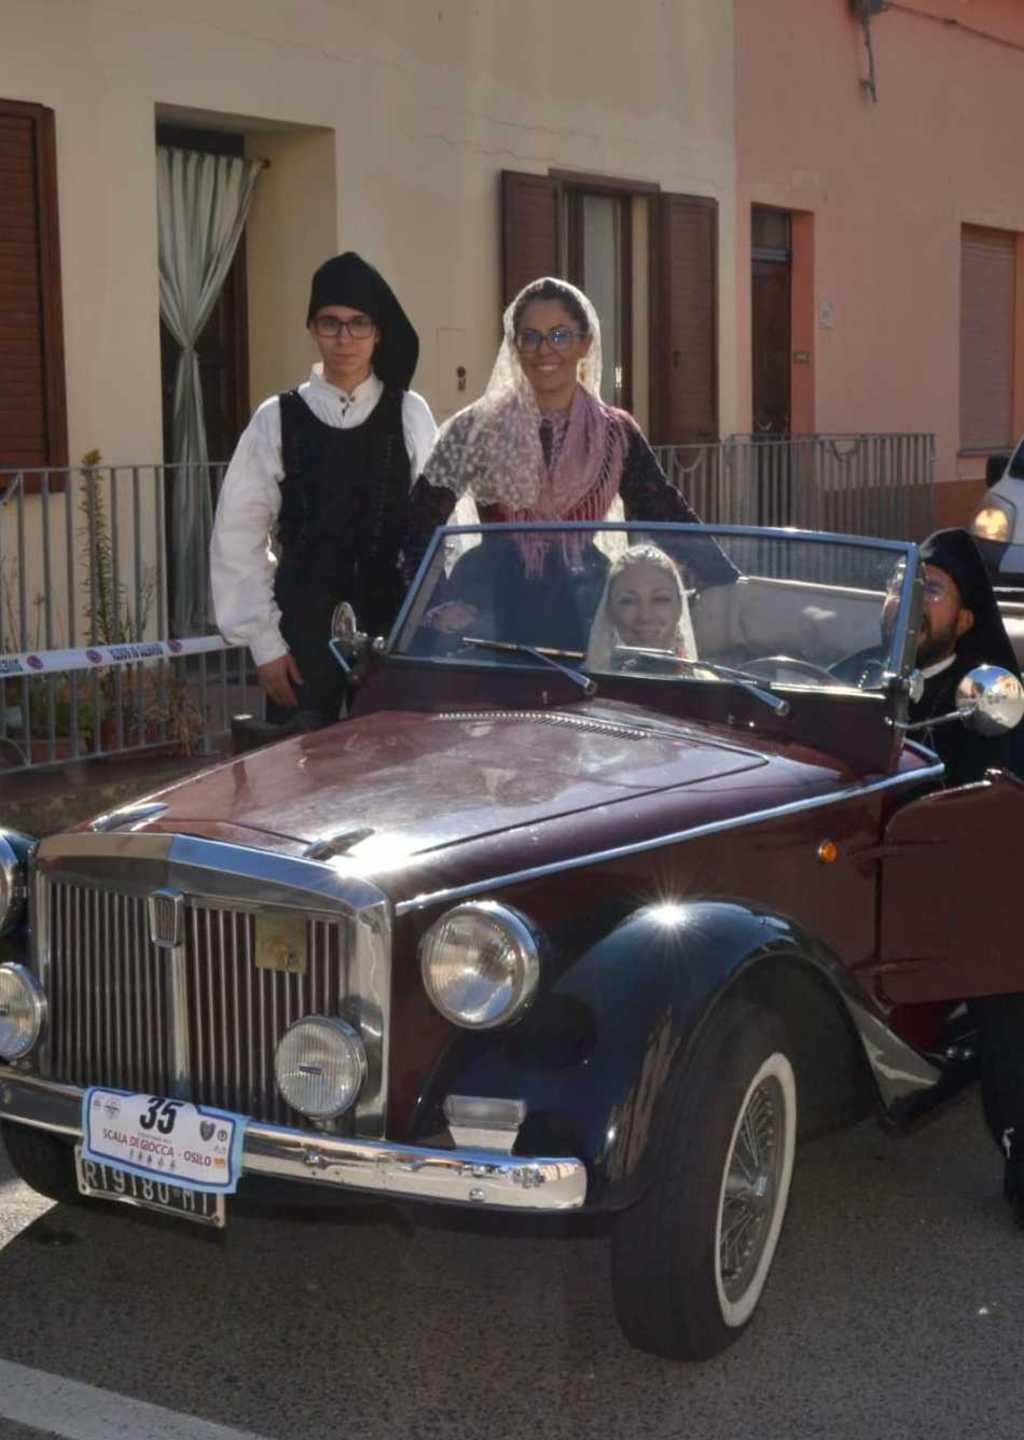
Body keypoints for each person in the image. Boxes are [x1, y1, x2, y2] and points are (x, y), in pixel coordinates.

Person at [211, 251, 437, 727]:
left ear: (377, 332)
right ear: (312, 329)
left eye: (357, 324)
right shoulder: (276, 418)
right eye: (331, 323)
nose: (344, 338)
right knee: (301, 777)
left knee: (391, 775)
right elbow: (238, 533)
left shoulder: (410, 414)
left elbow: (441, 531)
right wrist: (266, 646)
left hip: (391, 630)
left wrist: (430, 630)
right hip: (301, 634)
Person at [904, 527, 1022, 786]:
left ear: (963, 621)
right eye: (903, 584)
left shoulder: (984, 702)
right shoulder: (853, 675)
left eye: (931, 589)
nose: (911, 600)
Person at [586, 544, 697, 670]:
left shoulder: (707, 687)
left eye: (659, 599)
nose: (645, 616)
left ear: (679, 608)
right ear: (610, 610)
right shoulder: (587, 686)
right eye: (628, 601)